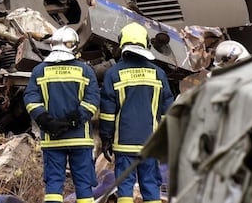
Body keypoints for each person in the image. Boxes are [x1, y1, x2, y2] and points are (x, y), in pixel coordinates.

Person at [98, 23, 174, 203]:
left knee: (124, 185)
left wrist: (106, 138)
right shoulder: (159, 74)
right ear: (146, 43)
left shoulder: (113, 73)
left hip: (123, 143)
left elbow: (108, 112)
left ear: (122, 44)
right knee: (150, 183)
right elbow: (167, 110)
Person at [24, 26, 100, 203]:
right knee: (83, 184)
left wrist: (45, 120)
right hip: (80, 139)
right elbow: (92, 100)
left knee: (54, 186)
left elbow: (31, 98)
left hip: (52, 139)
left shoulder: (39, 71)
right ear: (73, 46)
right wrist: (74, 120)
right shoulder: (85, 71)